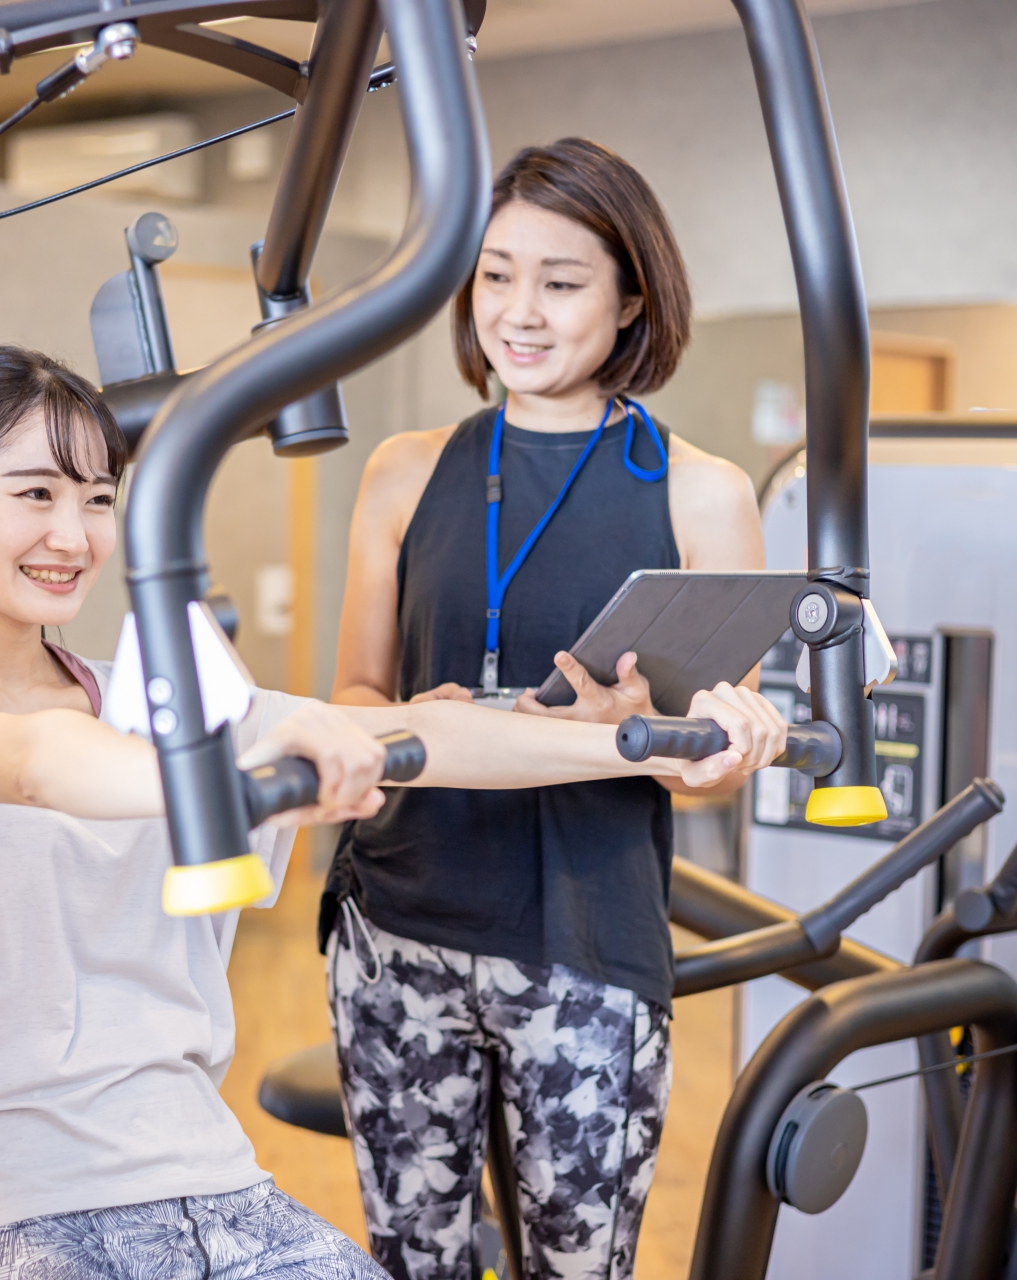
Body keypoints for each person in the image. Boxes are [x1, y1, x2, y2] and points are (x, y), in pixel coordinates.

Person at [0, 345, 786, 1280]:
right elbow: (34, 762)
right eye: (35, 494)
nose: (74, 535)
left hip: (208, 1181)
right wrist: (238, 771)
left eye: (98, 498)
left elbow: (427, 737)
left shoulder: (155, 701)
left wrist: (666, 739)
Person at [326, 138, 775, 1280]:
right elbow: (351, 697)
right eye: (493, 274)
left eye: (561, 281)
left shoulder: (700, 492)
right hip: (397, 930)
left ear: (632, 298)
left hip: (585, 947)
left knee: (579, 1267)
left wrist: (681, 736)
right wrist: (404, 716)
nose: (518, 312)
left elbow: (717, 757)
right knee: (408, 1261)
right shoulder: (405, 469)